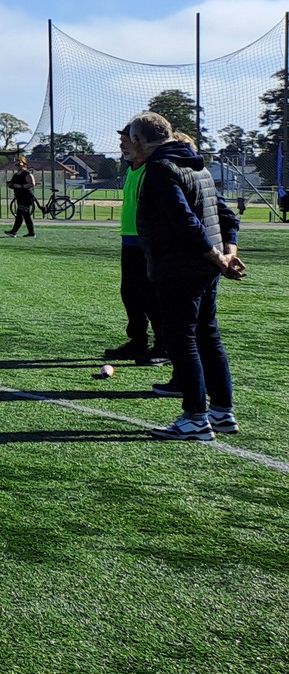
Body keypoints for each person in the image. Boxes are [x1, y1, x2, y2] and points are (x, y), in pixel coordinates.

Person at [121, 113, 245, 440]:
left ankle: (194, 418)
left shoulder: (161, 169)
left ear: (139, 141)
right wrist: (228, 254)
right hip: (205, 267)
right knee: (207, 335)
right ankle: (221, 412)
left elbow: (185, 223)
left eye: (129, 139)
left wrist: (220, 257)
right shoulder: (197, 165)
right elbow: (226, 216)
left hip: (179, 267)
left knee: (182, 338)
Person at [104, 135, 165, 366]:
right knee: (130, 295)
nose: (121, 144)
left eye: (126, 140)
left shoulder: (153, 170)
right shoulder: (131, 168)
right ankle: (138, 341)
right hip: (129, 240)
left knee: (151, 297)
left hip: (147, 241)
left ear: (140, 142)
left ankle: (163, 345)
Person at [4, 156, 37, 237]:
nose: (19, 166)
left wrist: (21, 186)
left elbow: (32, 184)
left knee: (19, 214)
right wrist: (10, 185)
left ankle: (13, 231)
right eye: (17, 164)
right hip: (20, 197)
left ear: (24, 165)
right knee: (26, 215)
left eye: (20, 164)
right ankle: (31, 233)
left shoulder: (27, 174)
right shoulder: (16, 175)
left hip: (27, 197)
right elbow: (13, 184)